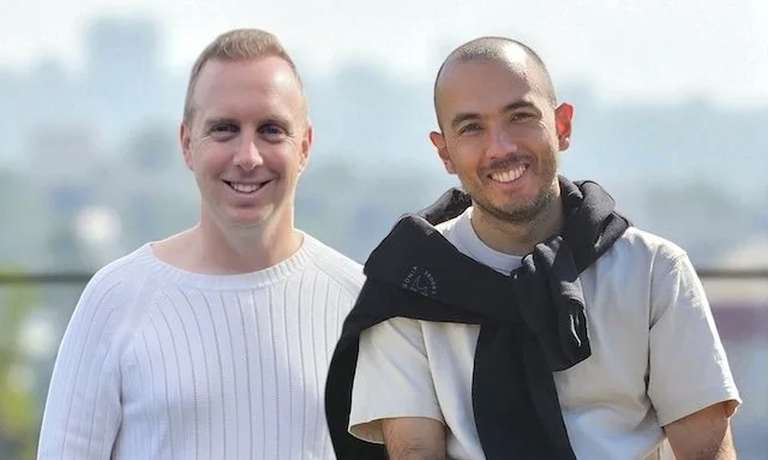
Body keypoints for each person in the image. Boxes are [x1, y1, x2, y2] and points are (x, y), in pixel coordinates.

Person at [326, 37, 740, 460]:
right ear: (444, 152)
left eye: (520, 117)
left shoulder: (653, 271)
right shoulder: (410, 285)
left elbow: (706, 451)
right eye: (471, 128)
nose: (501, 148)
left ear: (562, 126)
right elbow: (415, 451)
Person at [38, 29, 363, 459]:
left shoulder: (358, 302)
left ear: (304, 146)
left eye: (271, 130)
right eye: (224, 130)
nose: (248, 157)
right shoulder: (115, 299)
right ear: (187, 143)